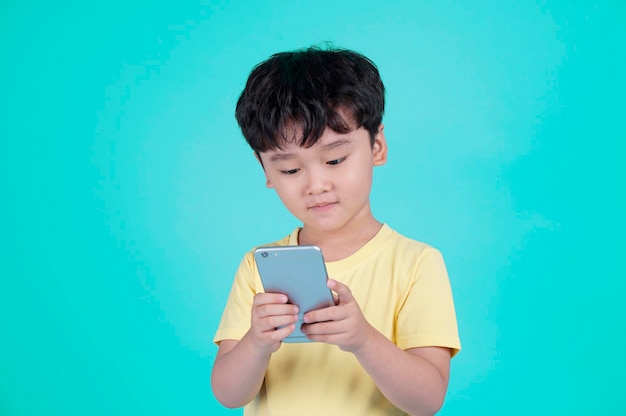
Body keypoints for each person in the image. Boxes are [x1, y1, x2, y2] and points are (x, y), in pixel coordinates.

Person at [211, 45, 461, 416]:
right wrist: (256, 342)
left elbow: (427, 401)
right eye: (290, 170)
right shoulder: (258, 267)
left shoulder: (416, 263)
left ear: (377, 146)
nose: (316, 185)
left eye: (334, 159)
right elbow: (229, 395)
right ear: (265, 171)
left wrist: (363, 340)